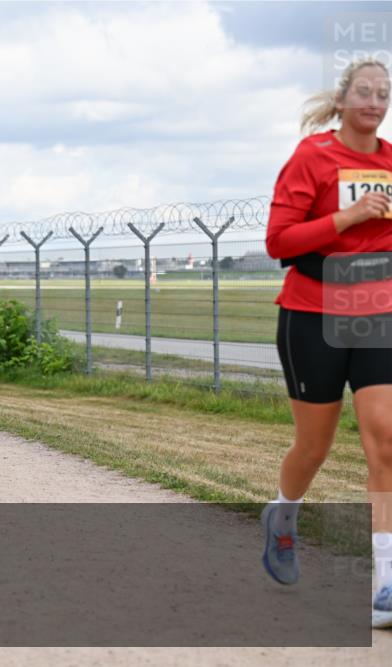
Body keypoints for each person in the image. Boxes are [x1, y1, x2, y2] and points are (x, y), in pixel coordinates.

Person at [262, 58, 392, 629]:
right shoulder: (312, 158)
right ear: (341, 101)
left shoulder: (391, 161)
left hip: (376, 313)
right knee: (313, 448)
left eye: (384, 93)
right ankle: (284, 516)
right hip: (312, 312)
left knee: (385, 440)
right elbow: (279, 242)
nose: (375, 100)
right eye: (364, 91)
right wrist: (348, 216)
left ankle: (385, 582)